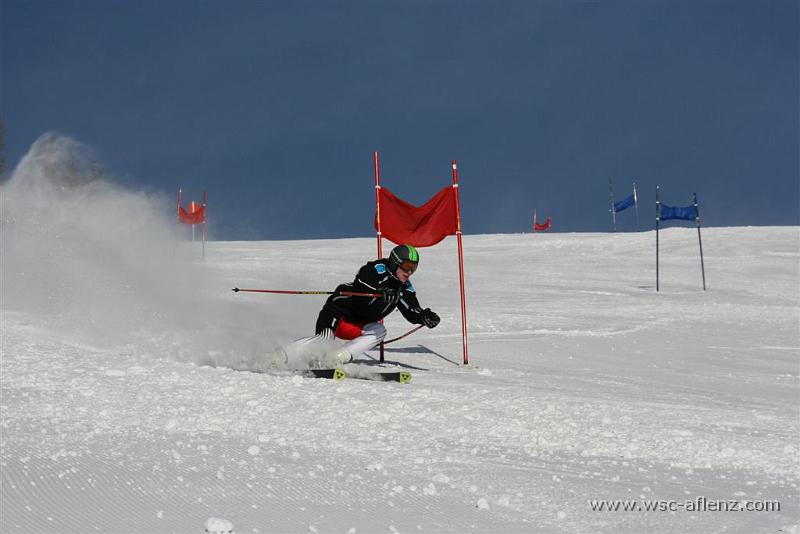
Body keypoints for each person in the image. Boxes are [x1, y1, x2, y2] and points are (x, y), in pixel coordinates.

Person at [315, 244, 440, 363]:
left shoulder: (404, 287)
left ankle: (336, 359)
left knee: (379, 330)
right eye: (407, 266)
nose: (409, 272)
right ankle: (296, 353)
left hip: (358, 326)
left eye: (413, 268)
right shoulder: (378, 268)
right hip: (338, 315)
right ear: (395, 262)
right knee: (323, 342)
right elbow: (362, 281)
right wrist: (382, 290)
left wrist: (424, 316)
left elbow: (411, 310)